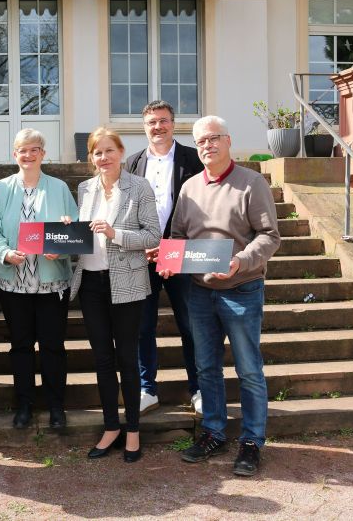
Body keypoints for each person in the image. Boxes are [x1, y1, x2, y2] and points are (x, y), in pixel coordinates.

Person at [160, 115, 280, 477]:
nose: (207, 146)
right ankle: (213, 432)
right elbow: (179, 233)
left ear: (228, 141)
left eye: (214, 139)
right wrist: (168, 258)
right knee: (206, 368)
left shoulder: (251, 183)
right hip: (199, 291)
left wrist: (240, 261)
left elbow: (270, 236)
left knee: (248, 370)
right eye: (201, 142)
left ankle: (252, 441)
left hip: (241, 289)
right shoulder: (190, 187)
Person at [70, 127, 161, 463]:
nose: (103, 157)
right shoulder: (84, 188)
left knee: (126, 357)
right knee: (102, 359)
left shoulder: (139, 186)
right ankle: (111, 426)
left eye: (109, 150)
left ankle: (133, 429)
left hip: (128, 283)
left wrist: (114, 233)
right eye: (97, 152)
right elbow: (83, 236)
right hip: (91, 282)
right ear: (90, 157)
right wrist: (70, 231)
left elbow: (153, 235)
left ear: (121, 152)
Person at [0, 128, 78, 430]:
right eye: (22, 150)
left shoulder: (60, 188)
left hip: (51, 283)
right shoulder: (0, 188)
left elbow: (74, 230)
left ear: (43, 153)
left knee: (53, 346)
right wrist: (4, 253)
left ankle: (55, 405)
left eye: (34, 149)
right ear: (15, 154)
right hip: (13, 283)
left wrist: (61, 247)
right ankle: (24, 404)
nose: (28, 154)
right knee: (21, 346)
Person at [125, 100, 203, 415]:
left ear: (174, 123)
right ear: (144, 127)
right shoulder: (132, 163)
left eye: (163, 121)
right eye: (152, 122)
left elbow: (202, 210)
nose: (158, 127)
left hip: (181, 256)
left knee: (191, 325)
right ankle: (147, 389)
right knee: (143, 327)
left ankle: (199, 389)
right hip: (142, 258)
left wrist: (172, 248)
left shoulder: (193, 160)